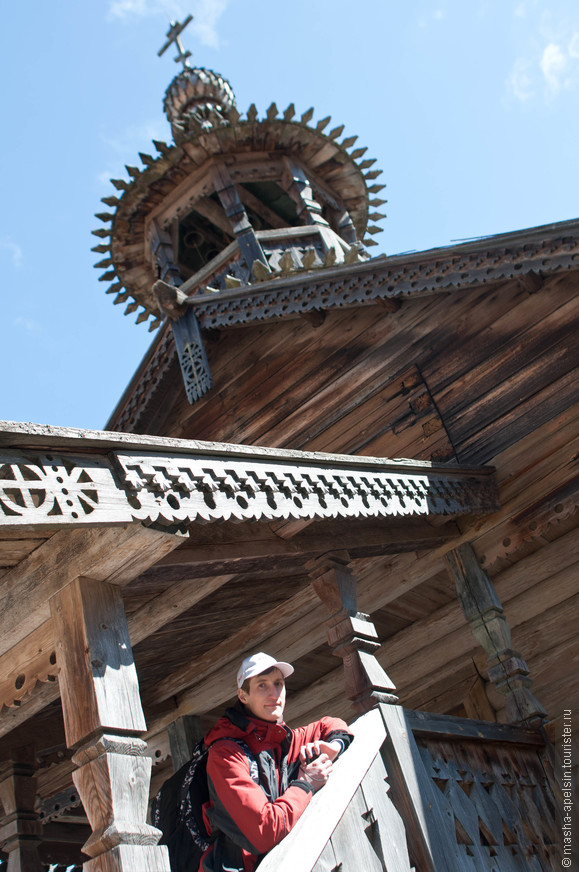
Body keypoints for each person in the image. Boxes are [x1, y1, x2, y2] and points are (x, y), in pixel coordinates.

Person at [199, 652, 354, 872]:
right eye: (262, 685)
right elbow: (264, 831)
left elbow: (331, 724)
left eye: (278, 684)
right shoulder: (225, 754)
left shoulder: (282, 741)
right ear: (243, 696)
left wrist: (335, 746)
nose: (274, 694)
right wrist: (305, 783)